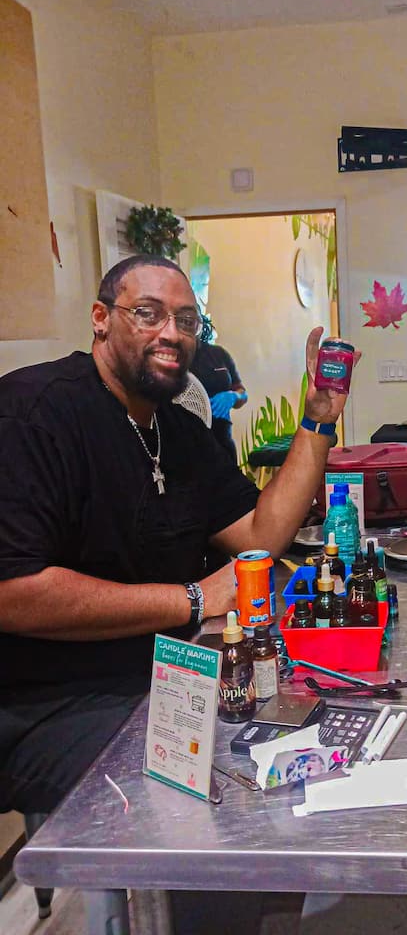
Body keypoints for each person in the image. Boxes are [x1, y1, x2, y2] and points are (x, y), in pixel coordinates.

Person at [0, 253, 356, 816]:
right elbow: (13, 593)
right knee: (211, 793)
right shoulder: (32, 413)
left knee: (301, 734)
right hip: (46, 705)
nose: (171, 334)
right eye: (148, 313)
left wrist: (318, 420)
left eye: (187, 321)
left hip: (171, 677)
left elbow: (262, 535)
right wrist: (194, 599)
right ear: (100, 318)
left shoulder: (181, 432)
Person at [190, 315, 248, 458]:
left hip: (223, 440)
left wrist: (234, 396)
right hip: (187, 445)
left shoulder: (218, 354)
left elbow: (243, 394)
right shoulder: (173, 357)